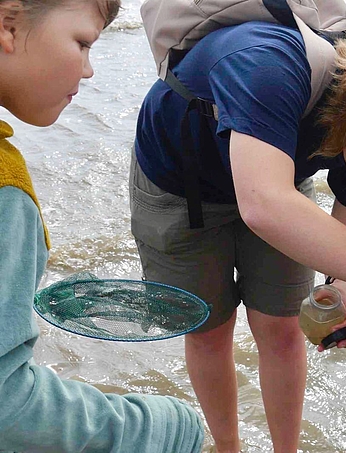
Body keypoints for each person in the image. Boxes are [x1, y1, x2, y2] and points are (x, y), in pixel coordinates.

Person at [130, 18, 346, 453]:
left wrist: (341, 290)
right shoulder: (268, 64)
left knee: (282, 328)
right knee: (209, 329)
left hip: (278, 177)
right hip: (181, 182)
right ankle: (227, 447)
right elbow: (265, 205)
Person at [0, 1, 205, 452]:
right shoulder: (5, 191)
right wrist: (168, 426)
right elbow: (6, 403)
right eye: (83, 43)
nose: (90, 71)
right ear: (8, 25)